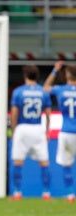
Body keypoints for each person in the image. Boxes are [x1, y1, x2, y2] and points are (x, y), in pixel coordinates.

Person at [10, 65, 52, 200]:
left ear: (25, 75)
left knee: (18, 161)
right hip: (38, 128)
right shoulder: (43, 92)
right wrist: (47, 130)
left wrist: (14, 129)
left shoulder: (18, 91)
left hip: (23, 127)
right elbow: (48, 113)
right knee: (44, 162)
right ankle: (46, 193)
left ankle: (17, 192)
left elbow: (15, 113)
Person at [44, 61, 76, 203]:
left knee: (66, 164)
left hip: (67, 132)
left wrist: (55, 71)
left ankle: (70, 195)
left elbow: (45, 88)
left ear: (67, 75)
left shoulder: (60, 89)